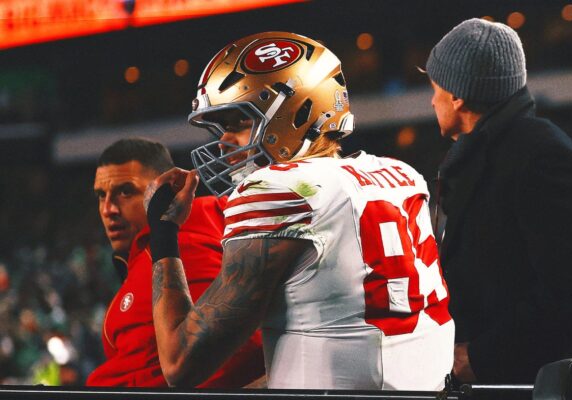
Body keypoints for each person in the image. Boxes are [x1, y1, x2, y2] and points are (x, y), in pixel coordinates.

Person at [145, 31, 454, 390]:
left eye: (238, 122)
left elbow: (180, 363)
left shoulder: (276, 190)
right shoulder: (401, 176)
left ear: (297, 113)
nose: (224, 141)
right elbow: (347, 330)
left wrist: (163, 231)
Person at [423, 18, 572, 384]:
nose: (431, 99)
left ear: (457, 95)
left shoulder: (541, 158)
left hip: (532, 384)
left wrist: (481, 356)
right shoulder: (489, 154)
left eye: (434, 86)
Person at [87, 138, 264, 387]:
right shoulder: (144, 255)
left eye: (126, 192)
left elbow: (231, 353)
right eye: (101, 195)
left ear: (166, 190)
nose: (108, 209)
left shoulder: (185, 239)